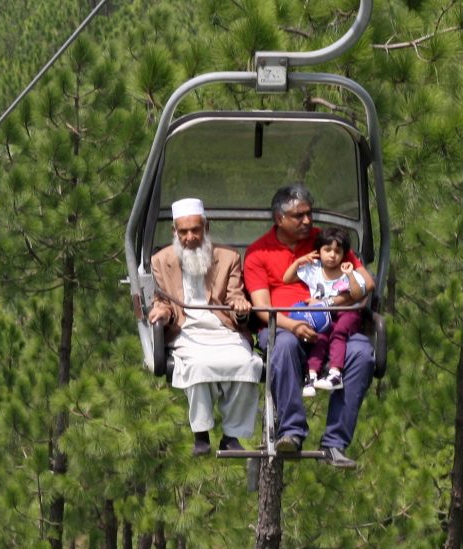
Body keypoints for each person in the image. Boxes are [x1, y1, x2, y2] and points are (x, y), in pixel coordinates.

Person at [243, 184, 375, 469]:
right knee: (284, 345)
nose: (307, 221)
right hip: (285, 324)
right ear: (279, 219)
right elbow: (263, 308)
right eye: (298, 216)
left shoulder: (326, 243)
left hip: (331, 324)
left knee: (362, 354)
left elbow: (366, 282)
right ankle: (291, 431)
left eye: (309, 214)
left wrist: (331, 304)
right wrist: (293, 325)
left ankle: (335, 443)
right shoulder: (258, 254)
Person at [146, 197, 259, 456]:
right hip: (186, 330)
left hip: (223, 328)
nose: (190, 237)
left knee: (247, 363)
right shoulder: (161, 260)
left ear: (206, 228)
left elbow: (234, 296)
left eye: (195, 230)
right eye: (183, 232)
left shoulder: (228, 257)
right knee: (196, 365)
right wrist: (160, 312)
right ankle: (201, 431)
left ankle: (232, 436)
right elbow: (162, 300)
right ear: (174, 232)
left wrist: (240, 306)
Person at [281, 228, 372, 396]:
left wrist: (350, 274)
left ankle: (335, 373)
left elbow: (358, 293)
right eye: (327, 250)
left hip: (346, 313)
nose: (332, 255)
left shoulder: (347, 271)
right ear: (319, 251)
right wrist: (298, 262)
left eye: (337, 251)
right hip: (324, 316)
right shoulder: (314, 270)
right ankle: (312, 374)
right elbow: (287, 278)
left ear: (344, 254)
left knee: (338, 332)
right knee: (320, 337)